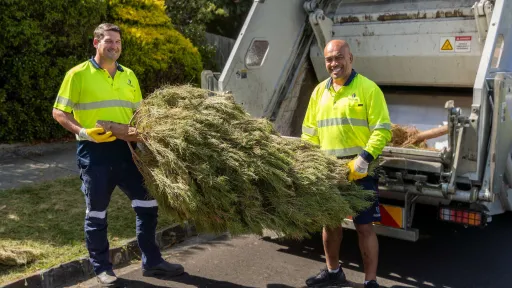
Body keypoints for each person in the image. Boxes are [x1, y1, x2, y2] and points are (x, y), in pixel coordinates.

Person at [52, 23, 184, 286]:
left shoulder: (129, 76)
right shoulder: (77, 74)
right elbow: (59, 112)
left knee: (147, 206)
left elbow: (141, 114)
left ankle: (152, 261)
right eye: (109, 41)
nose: (114, 46)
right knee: (97, 213)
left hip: (129, 153)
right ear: (96, 43)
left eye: (118, 42)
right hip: (95, 153)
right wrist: (83, 132)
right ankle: (102, 268)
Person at [301, 39, 392, 288]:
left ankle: (370, 281)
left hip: (360, 171)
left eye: (339, 57)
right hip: (329, 172)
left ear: (350, 58)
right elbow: (309, 132)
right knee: (330, 225)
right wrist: (309, 160)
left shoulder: (368, 89)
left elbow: (382, 130)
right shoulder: (319, 92)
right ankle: (333, 272)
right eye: (329, 59)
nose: (334, 63)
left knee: (364, 228)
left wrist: (363, 160)